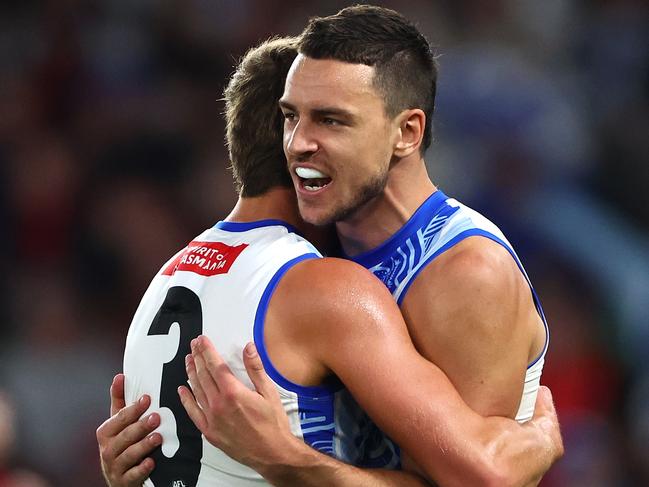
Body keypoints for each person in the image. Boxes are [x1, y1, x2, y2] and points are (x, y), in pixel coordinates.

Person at [96, 33, 562, 487]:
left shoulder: (168, 275)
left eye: (330, 119)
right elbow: (488, 475)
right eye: (291, 118)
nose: (301, 140)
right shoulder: (321, 284)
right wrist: (538, 442)